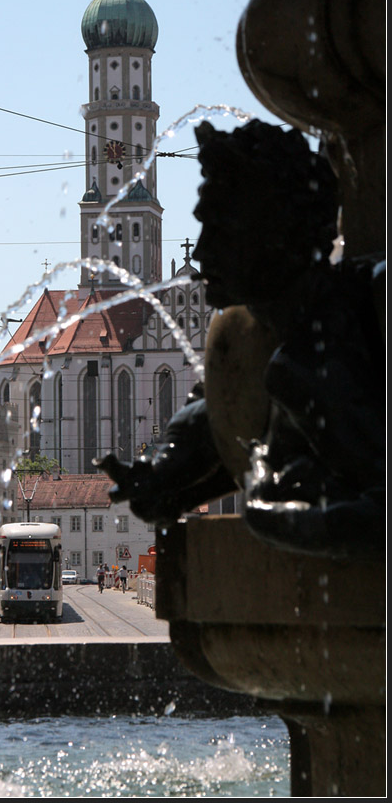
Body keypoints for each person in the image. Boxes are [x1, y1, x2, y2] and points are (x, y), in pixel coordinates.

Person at [97, 119, 385, 559]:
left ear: (275, 234)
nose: (204, 251)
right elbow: (210, 422)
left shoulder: (373, 308)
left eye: (222, 230)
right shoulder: (246, 339)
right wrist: (158, 478)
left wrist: (264, 510)